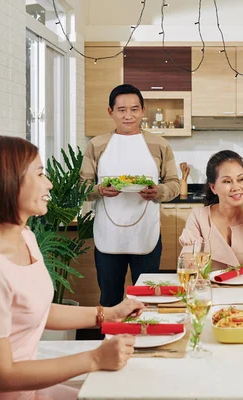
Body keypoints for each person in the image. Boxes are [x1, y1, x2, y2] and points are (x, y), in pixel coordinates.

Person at [0, 135, 144, 400]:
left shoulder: (24, 235)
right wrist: (94, 359)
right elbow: (0, 375)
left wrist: (108, 314)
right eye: (39, 174)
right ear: (8, 182)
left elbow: (35, 310)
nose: (48, 183)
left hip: (25, 391)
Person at [80, 84, 180, 307]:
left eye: (134, 109)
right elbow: (82, 187)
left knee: (146, 300)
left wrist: (159, 191)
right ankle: (111, 342)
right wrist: (99, 190)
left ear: (143, 110)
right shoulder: (96, 145)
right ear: (111, 112)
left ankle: (145, 340)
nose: (128, 116)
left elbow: (174, 183)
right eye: (122, 110)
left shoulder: (160, 144)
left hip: (146, 234)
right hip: (108, 235)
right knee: (109, 300)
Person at [179, 150, 243, 273]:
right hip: (211, 289)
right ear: (213, 187)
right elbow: (186, 265)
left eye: (241, 179)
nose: (236, 187)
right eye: (227, 181)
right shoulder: (199, 217)